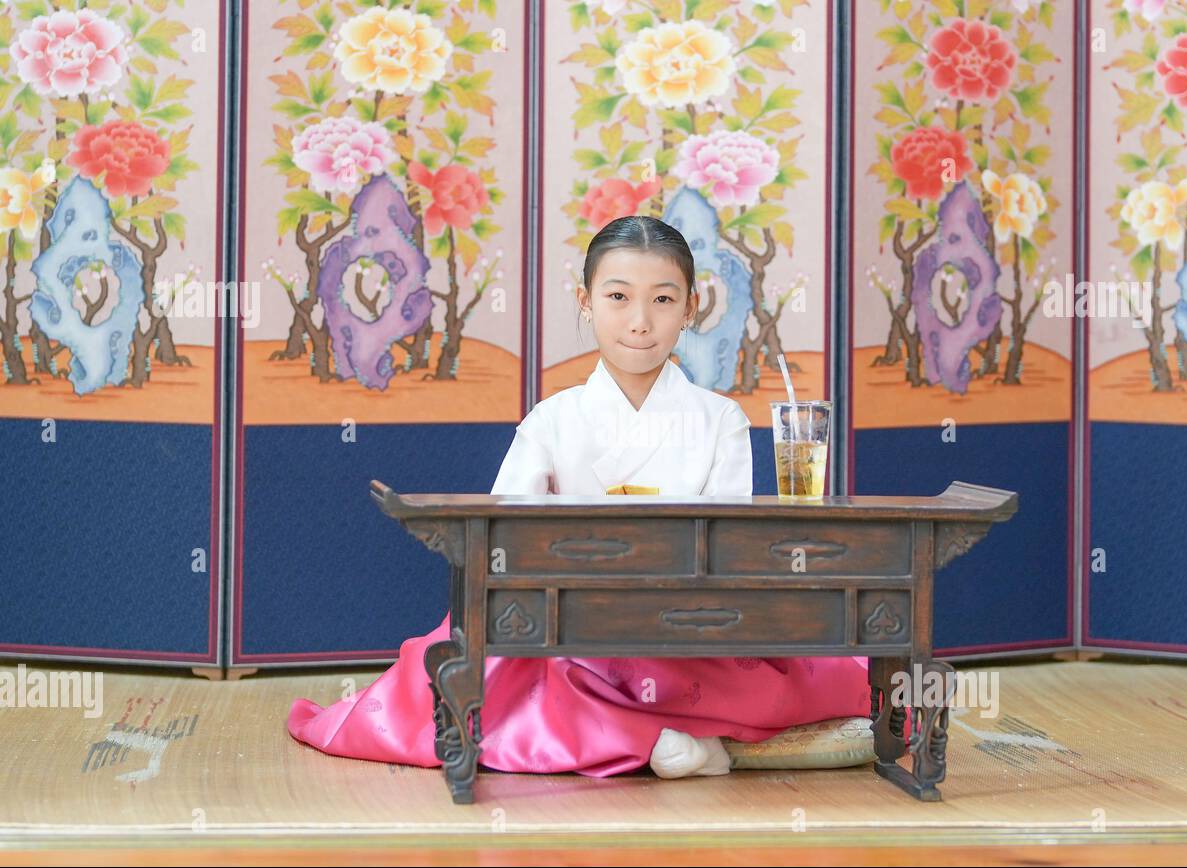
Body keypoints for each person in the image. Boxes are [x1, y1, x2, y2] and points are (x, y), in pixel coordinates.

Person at [287, 215, 875, 779]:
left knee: (730, 663)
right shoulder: (553, 419)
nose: (640, 321)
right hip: (567, 619)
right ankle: (689, 744)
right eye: (618, 297)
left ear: (692, 307)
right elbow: (499, 539)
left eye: (664, 299)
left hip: (687, 623)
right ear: (585, 300)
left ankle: (664, 739)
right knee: (487, 661)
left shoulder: (719, 419)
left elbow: (730, 547)